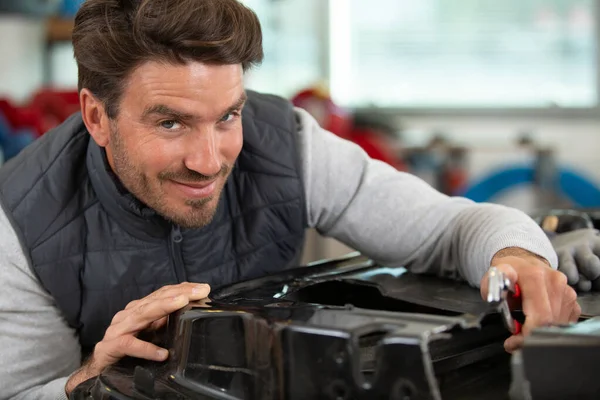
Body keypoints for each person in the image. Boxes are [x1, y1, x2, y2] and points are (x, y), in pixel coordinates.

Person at [0, 0, 579, 399]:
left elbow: (451, 229)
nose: (209, 160)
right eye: (171, 123)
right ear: (97, 116)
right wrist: (91, 379)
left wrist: (521, 259)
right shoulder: (20, 227)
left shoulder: (291, 145)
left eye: (227, 116)